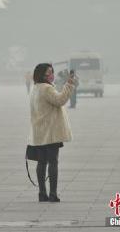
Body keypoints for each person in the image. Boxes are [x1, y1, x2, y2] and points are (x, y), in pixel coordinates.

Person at [29, 63, 75, 202]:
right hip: (51, 132)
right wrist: (69, 84)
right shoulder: (47, 88)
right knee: (53, 162)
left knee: (41, 162)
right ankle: (53, 193)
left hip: (39, 131)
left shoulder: (35, 88)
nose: (52, 74)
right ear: (43, 74)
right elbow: (60, 100)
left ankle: (42, 193)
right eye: (49, 72)